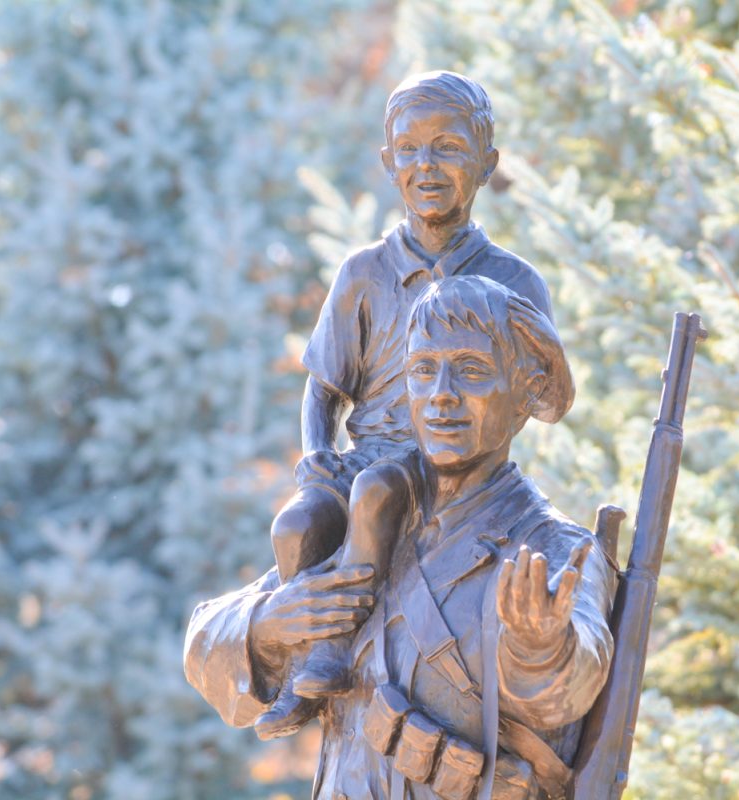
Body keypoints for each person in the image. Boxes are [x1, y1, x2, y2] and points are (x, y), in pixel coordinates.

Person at [185, 276, 615, 799]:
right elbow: (203, 643)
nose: (442, 396)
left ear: (525, 388)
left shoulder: (556, 548)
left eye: (472, 371)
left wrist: (541, 646)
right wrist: (267, 627)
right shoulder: (374, 517)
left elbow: (574, 682)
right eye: (423, 371)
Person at [261, 71, 556, 739]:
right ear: (389, 161)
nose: (427, 166)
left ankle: (332, 651)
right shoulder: (364, 273)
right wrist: (316, 456)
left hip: (455, 465)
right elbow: (324, 386)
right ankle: (310, 650)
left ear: (486, 163)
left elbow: (540, 389)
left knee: (375, 491)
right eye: (410, 149)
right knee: (297, 525)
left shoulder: (513, 282)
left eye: (448, 147)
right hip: (368, 451)